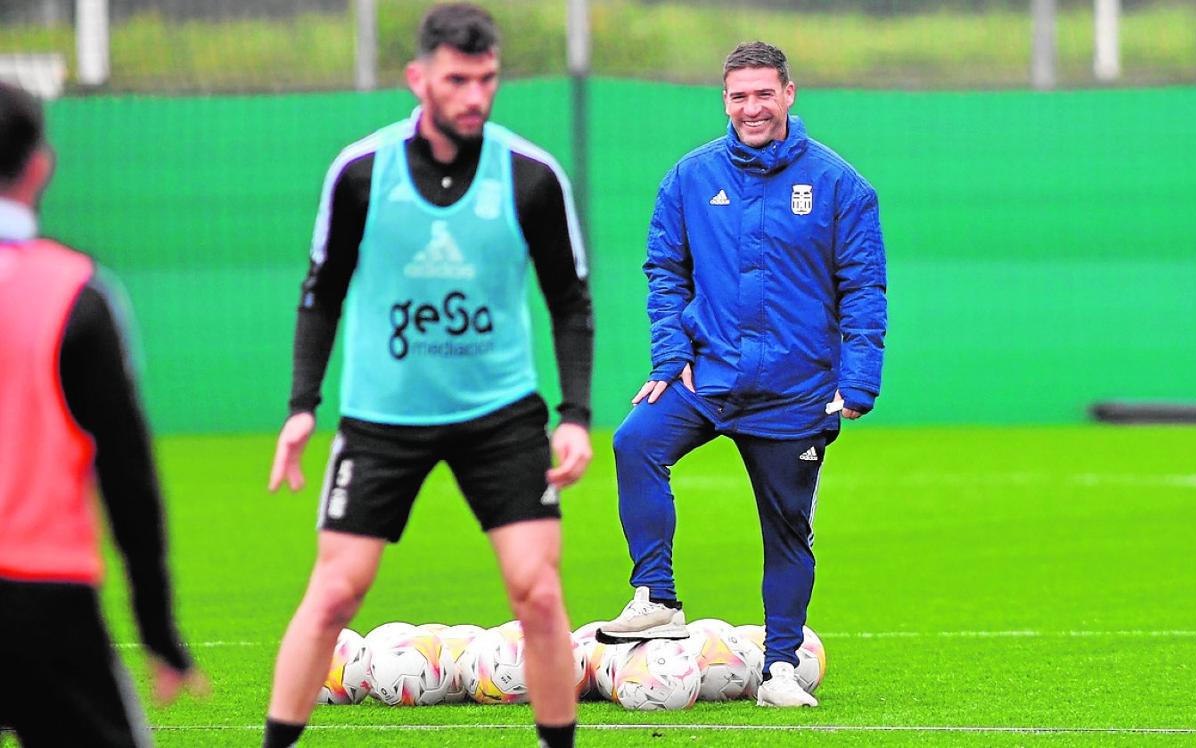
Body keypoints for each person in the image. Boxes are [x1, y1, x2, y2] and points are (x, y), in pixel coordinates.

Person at [262, 4, 593, 746]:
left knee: (537, 592)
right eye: (457, 80)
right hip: (383, 418)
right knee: (335, 593)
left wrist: (573, 415)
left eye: (488, 79)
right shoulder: (360, 173)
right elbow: (321, 291)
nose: (475, 95)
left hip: (501, 415)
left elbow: (570, 301)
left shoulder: (532, 176)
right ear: (419, 79)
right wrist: (301, 405)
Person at [597, 42, 887, 708]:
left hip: (796, 391)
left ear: (789, 94)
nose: (751, 107)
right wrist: (672, 359)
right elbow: (664, 271)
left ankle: (780, 671)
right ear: (723, 100)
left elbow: (865, 287)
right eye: (738, 96)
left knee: (787, 528)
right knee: (635, 442)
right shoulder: (690, 177)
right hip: (709, 378)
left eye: (763, 93)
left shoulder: (842, 186)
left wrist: (859, 378)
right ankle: (658, 596)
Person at [0, 81, 204, 746]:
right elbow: (127, 472)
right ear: (40, 164)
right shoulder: (79, 296)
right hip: (43, 600)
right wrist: (157, 625)